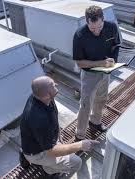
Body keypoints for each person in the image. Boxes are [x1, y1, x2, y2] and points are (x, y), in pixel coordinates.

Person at [20, 76, 99, 178]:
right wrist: (80, 145)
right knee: (76, 163)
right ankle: (49, 171)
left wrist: (58, 136)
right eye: (53, 86)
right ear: (47, 94)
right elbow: (51, 151)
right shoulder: (39, 117)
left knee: (59, 147)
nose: (56, 85)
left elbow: (54, 115)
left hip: (35, 141)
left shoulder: (41, 98)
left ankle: (28, 156)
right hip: (37, 152)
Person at [73, 5, 121, 141]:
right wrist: (100, 63)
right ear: (86, 21)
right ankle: (80, 134)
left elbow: (116, 46)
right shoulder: (79, 35)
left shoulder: (111, 27)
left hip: (106, 71)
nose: (97, 31)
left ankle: (95, 121)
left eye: (99, 27)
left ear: (103, 20)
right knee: (86, 104)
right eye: (92, 28)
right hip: (89, 75)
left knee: (101, 98)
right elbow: (80, 63)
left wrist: (114, 60)